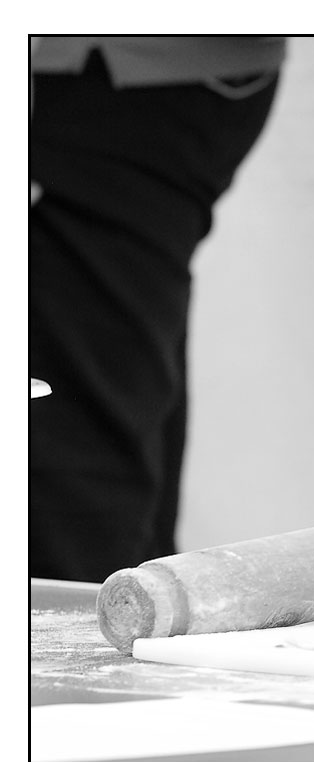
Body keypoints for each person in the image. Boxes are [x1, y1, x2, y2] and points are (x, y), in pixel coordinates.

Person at [30, 37, 286, 582]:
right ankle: (136, 613)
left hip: (100, 77)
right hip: (158, 75)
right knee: (108, 395)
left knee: (63, 452)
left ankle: (92, 628)